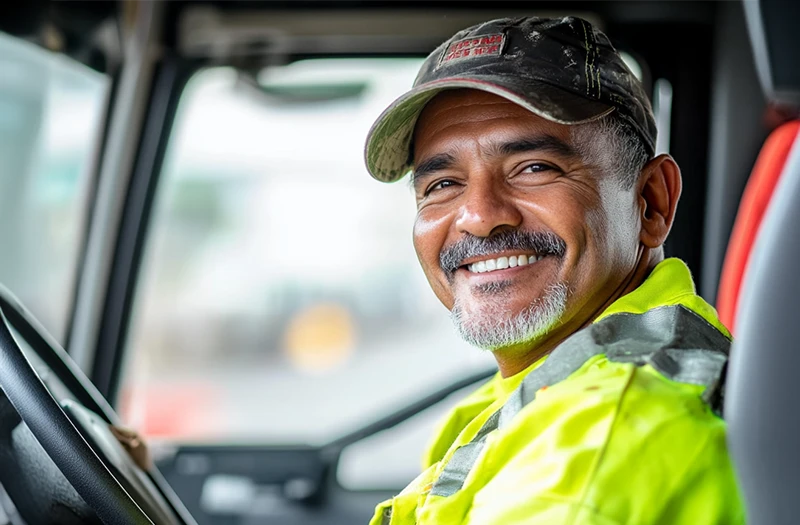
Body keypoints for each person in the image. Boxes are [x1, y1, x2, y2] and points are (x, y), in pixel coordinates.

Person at [362, 16, 745, 524]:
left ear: (652, 203)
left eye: (534, 168)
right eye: (442, 185)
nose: (479, 217)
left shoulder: (602, 438)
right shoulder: (544, 391)